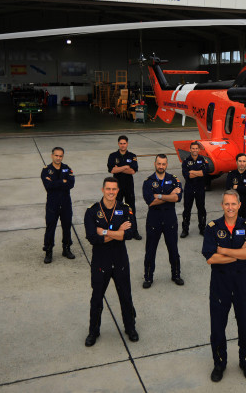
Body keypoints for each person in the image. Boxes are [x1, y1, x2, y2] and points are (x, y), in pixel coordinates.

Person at [202, 190, 246, 382]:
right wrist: (239, 252)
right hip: (220, 284)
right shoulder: (212, 227)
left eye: (234, 204)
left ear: (239, 205)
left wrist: (222, 250)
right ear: (222, 205)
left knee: (245, 325)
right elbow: (210, 258)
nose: (230, 207)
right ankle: (219, 363)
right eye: (227, 204)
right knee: (217, 327)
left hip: (242, 283)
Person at [83, 177, 139, 347]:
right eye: (108, 189)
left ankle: (130, 328)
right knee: (97, 298)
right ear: (102, 190)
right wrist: (117, 233)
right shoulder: (92, 211)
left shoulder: (125, 209)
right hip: (101, 261)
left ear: (118, 191)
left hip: (120, 260)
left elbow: (129, 234)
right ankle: (93, 331)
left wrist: (105, 231)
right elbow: (93, 238)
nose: (111, 192)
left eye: (114, 189)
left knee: (126, 297)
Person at [141, 154, 184, 288]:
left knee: (173, 249)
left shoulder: (174, 180)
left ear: (167, 165)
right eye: (159, 164)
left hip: (170, 219)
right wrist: (169, 196)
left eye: (163, 164)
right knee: (150, 250)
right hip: (154, 220)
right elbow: (151, 202)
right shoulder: (148, 182)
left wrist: (159, 195)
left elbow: (177, 198)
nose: (161, 166)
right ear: (155, 164)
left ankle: (176, 275)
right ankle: (148, 277)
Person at [40, 147, 75, 263]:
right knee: (50, 227)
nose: (58, 158)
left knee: (67, 226)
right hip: (52, 204)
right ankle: (48, 251)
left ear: (62, 156)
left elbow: (71, 184)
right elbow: (48, 186)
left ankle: (66, 248)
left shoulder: (67, 168)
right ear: (52, 156)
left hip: (65, 204)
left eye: (60, 156)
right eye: (56, 155)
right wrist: (62, 181)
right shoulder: (46, 170)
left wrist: (55, 182)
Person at [107, 135, 142, 240]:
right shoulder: (113, 156)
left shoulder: (132, 156)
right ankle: (116, 231)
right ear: (118, 144)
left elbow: (133, 171)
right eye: (121, 143)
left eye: (124, 143)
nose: (123, 145)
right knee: (115, 209)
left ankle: (134, 231)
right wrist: (126, 167)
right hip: (116, 188)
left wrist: (119, 168)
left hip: (129, 187)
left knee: (131, 209)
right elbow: (112, 170)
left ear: (127, 144)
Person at [181, 141, 209, 238]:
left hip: (200, 189)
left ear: (199, 149)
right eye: (193, 148)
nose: (195, 150)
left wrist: (193, 172)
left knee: (201, 209)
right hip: (189, 189)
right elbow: (187, 175)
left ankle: (202, 228)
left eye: (196, 148)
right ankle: (185, 229)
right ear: (190, 149)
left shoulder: (203, 160)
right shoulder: (185, 161)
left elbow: (205, 173)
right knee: (187, 210)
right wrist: (198, 173)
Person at [225, 153, 246, 221]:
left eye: (244, 161)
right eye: (240, 161)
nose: (242, 163)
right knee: (234, 226)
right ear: (236, 162)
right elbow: (228, 188)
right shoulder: (231, 174)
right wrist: (245, 187)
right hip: (234, 206)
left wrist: (236, 187)